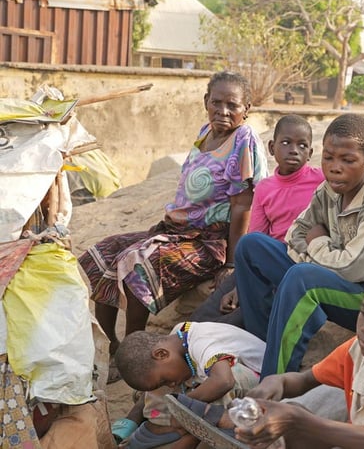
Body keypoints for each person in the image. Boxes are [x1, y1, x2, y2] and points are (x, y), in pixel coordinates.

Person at [78, 71, 268, 383]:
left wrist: (232, 263)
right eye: (216, 102)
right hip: (176, 230)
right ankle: (112, 346)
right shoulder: (206, 132)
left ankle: (133, 353)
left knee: (139, 264)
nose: (223, 110)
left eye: (232, 105)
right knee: (104, 253)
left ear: (246, 108)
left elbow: (242, 205)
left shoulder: (243, 141)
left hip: (209, 241)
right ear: (205, 102)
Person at [169, 265, 364, 449]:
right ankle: (235, 426)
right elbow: (301, 381)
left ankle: (233, 428)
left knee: (297, 419)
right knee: (295, 416)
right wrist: (276, 383)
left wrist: (296, 420)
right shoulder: (358, 349)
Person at [233, 113, 364, 377]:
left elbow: (351, 267)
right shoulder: (329, 188)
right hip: (335, 276)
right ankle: (263, 349)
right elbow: (296, 231)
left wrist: (317, 243)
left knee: (303, 277)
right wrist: (318, 252)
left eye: (348, 160)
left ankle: (273, 384)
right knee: (251, 247)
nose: (335, 167)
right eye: (328, 158)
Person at [190, 114, 324, 327]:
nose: (294, 150)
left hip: (298, 263)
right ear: (272, 148)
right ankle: (190, 334)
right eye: (286, 143)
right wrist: (239, 287)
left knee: (245, 315)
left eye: (302, 145)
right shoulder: (264, 188)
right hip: (268, 257)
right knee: (209, 310)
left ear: (310, 153)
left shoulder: (321, 180)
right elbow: (256, 238)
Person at [111, 321, 265, 448]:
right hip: (223, 381)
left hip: (263, 381)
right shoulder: (177, 336)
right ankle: (161, 423)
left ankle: (187, 436)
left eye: (166, 380)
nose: (171, 384)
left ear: (161, 354)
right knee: (160, 384)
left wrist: (182, 406)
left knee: (223, 381)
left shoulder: (202, 342)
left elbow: (224, 381)